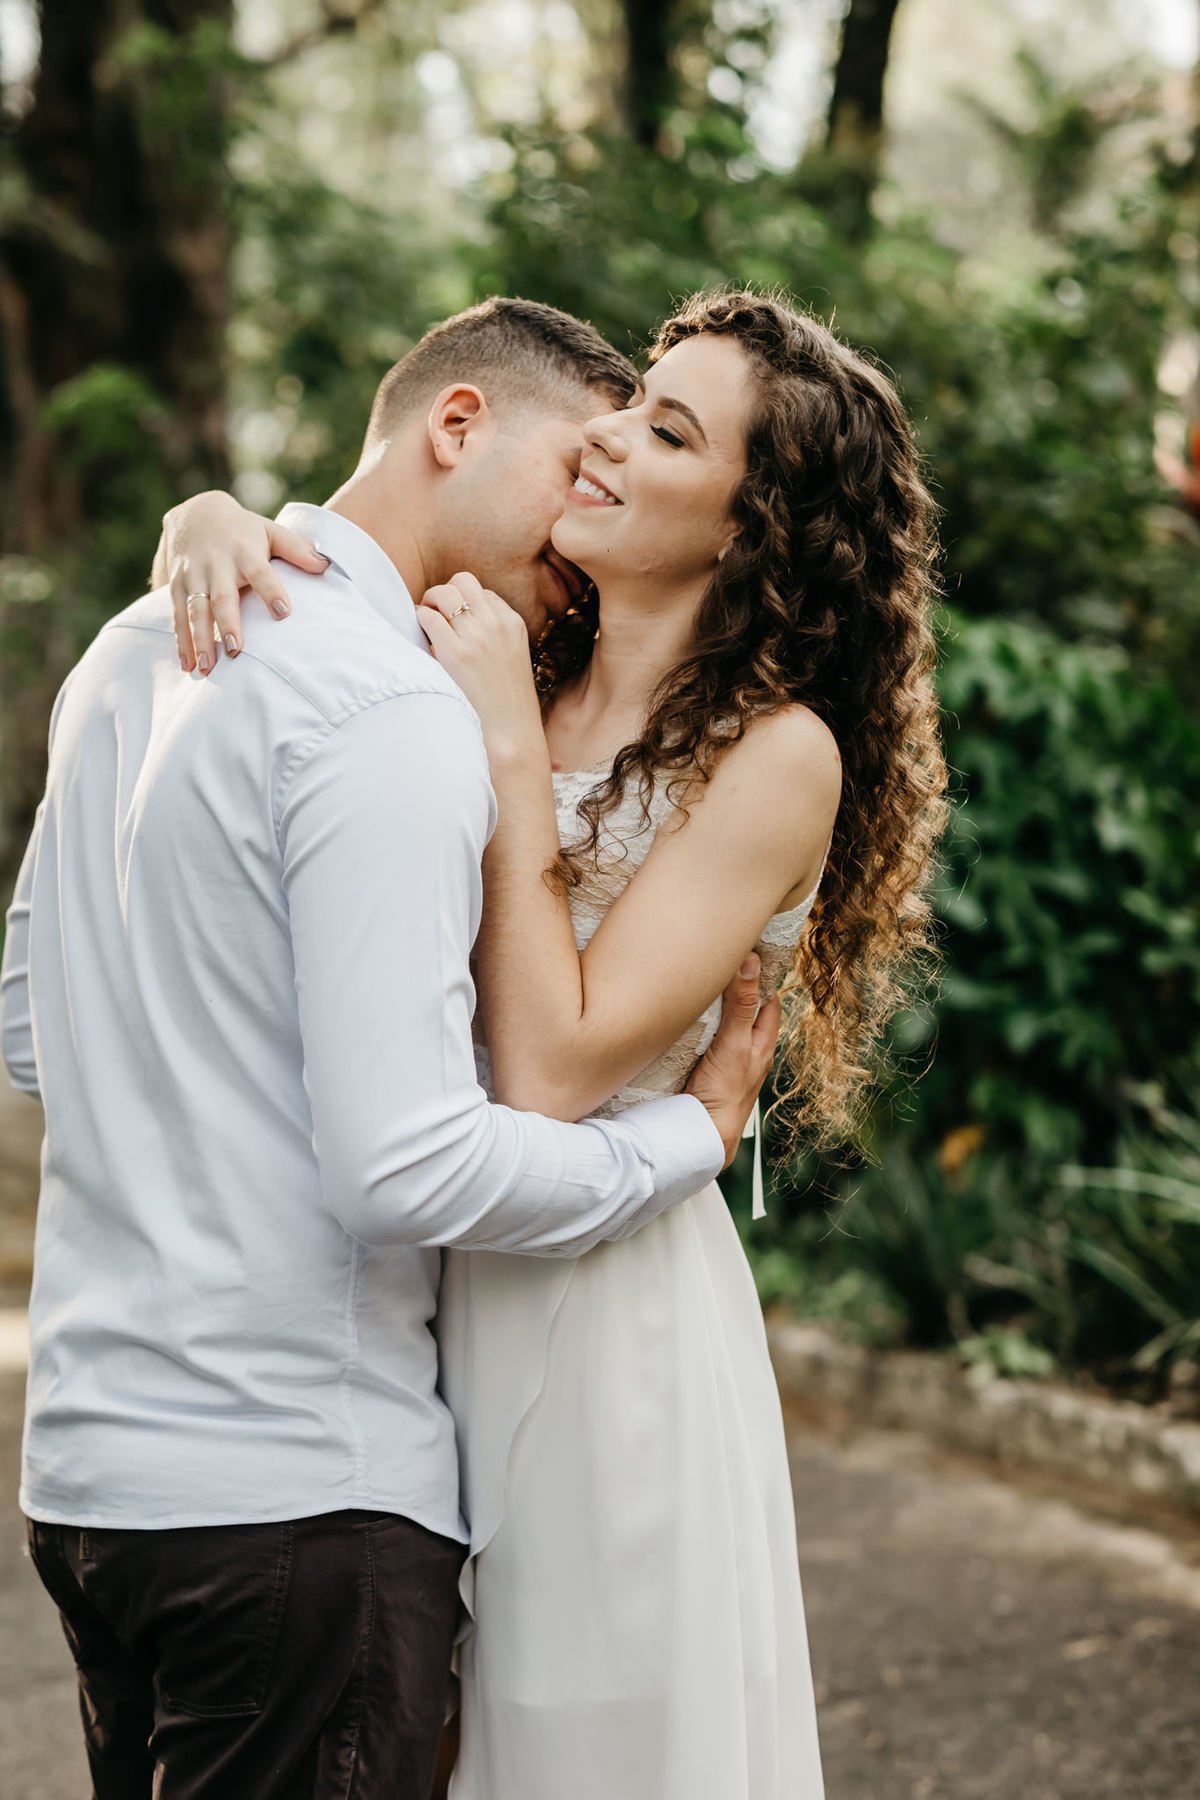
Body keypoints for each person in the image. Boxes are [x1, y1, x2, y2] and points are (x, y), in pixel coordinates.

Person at [159, 287, 947, 1799]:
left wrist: (512, 755)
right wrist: (215, 520)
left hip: (608, 1329)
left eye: (663, 429)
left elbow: (556, 1068)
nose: (602, 437)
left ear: (751, 524)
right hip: (421, 1291)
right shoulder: (509, 646)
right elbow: (345, 561)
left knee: (590, 1743)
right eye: (628, 400)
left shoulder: (777, 756)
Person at [0, 296, 780, 1800]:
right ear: (458, 423)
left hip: (94, 1485)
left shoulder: (124, 652)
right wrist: (689, 1138)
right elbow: (406, 1163)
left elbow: (32, 1028)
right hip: (296, 1493)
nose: (590, 506)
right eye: (580, 457)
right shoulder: (387, 708)